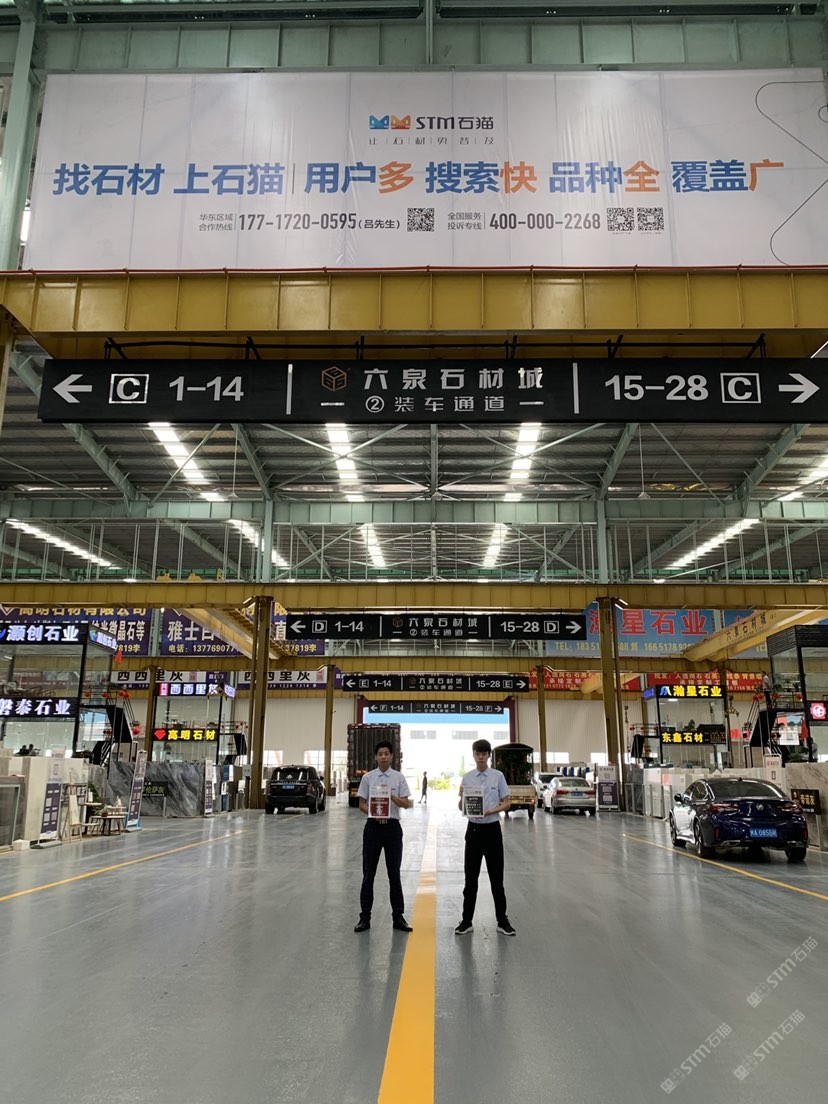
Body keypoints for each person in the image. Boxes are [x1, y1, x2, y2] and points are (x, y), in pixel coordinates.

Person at [455, 738, 515, 937]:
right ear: (473, 755)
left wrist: (492, 811)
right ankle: (466, 921)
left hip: (492, 831)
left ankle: (502, 921)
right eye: (477, 753)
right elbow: (461, 807)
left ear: (489, 755)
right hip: (473, 831)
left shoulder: (498, 776)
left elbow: (507, 803)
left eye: (484, 753)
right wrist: (462, 797)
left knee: (497, 878)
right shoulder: (467, 778)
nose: (480, 757)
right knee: (470, 878)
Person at [354, 740, 413, 934]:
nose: (383, 757)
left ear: (392, 756)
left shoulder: (398, 778)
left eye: (387, 753)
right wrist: (373, 813)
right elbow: (361, 804)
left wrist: (393, 798)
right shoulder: (368, 778)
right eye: (380, 754)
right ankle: (364, 917)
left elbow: (407, 804)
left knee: (394, 874)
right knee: (368, 874)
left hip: (392, 829)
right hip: (373, 828)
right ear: (375, 757)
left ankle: (398, 917)